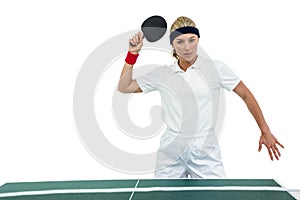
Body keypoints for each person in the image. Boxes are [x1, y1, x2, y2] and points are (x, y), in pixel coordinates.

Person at [118, 16, 284, 178]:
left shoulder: (216, 68)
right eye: (180, 42)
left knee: (216, 195)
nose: (187, 47)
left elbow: (246, 95)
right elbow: (125, 87)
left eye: (192, 39)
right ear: (172, 45)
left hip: (205, 147)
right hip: (171, 149)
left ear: (198, 39)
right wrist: (133, 53)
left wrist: (265, 130)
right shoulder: (163, 74)